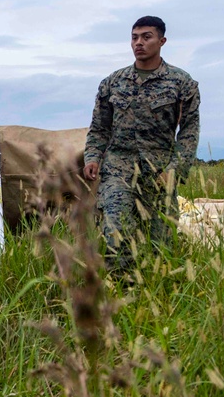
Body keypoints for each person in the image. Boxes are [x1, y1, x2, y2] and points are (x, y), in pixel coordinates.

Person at [82, 15, 200, 271]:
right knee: (115, 231)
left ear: (162, 41)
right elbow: (99, 127)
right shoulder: (113, 82)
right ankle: (121, 290)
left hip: (159, 172)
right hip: (118, 170)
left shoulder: (182, 84)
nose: (139, 43)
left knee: (162, 241)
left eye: (147, 37)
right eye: (135, 37)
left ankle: (159, 291)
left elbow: (189, 132)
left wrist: (174, 170)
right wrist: (92, 156)